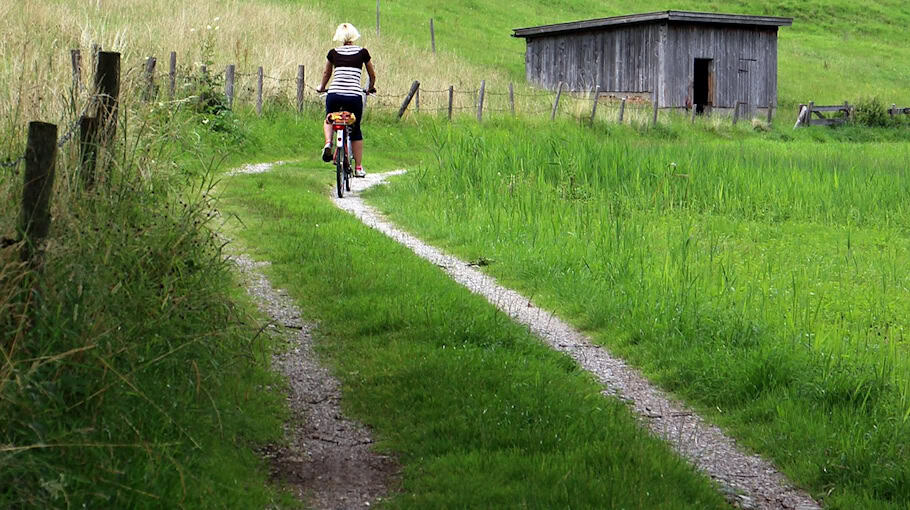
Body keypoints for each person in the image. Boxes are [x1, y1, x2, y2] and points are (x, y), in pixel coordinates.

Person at [317, 23, 377, 178]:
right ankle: (358, 167)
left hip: (335, 94)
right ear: (354, 35)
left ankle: (329, 143)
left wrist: (322, 87)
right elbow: (372, 75)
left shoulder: (333, 53)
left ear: (339, 36)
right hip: (354, 96)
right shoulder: (363, 52)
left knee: (329, 119)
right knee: (355, 129)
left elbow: (326, 73)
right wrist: (370, 88)